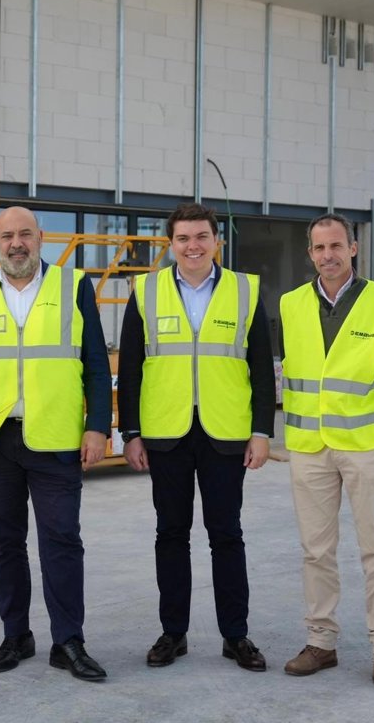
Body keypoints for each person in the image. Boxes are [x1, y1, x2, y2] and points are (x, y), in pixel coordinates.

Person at [0, 206, 112, 683]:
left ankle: (68, 641)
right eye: (6, 236)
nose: (16, 243)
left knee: (62, 541)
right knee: (4, 543)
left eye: (25, 234)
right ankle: (16, 635)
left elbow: (96, 364)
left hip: (55, 438)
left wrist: (98, 426)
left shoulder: (72, 286)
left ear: (40, 238)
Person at [117, 202, 275, 672]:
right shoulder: (146, 290)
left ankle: (236, 635)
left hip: (226, 434)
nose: (193, 246)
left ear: (216, 241)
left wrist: (261, 431)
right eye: (184, 238)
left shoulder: (245, 290)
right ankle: (173, 633)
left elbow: (261, 368)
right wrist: (130, 432)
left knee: (226, 535)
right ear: (171, 244)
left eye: (202, 236)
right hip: (165, 433)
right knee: (171, 534)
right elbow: (130, 368)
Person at [278, 212, 374, 688]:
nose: (328, 255)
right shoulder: (291, 304)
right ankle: (321, 642)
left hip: (367, 444)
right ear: (310, 253)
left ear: (353, 248)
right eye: (319, 248)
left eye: (336, 246)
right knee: (316, 551)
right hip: (310, 446)